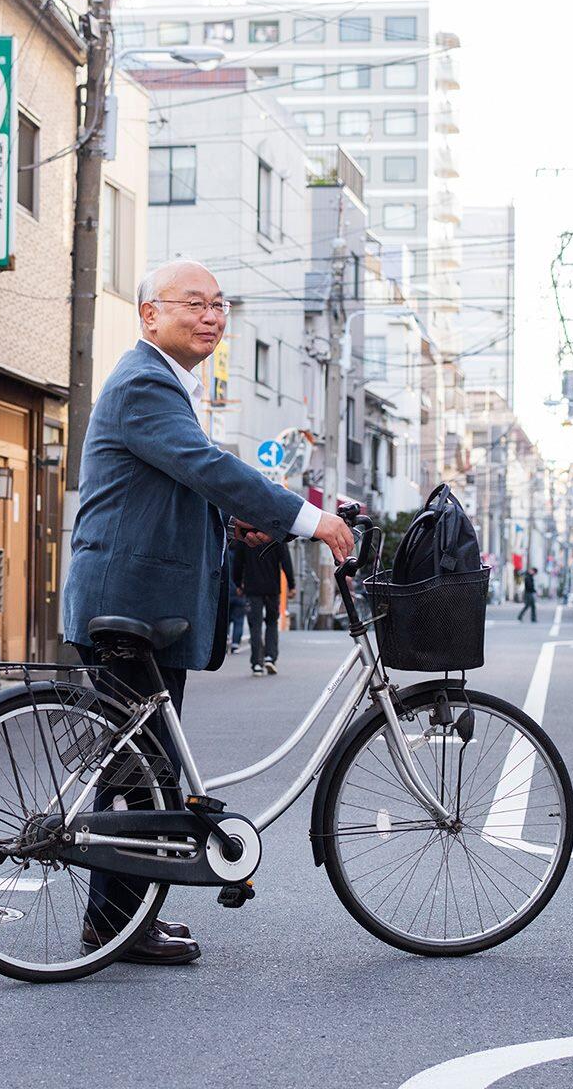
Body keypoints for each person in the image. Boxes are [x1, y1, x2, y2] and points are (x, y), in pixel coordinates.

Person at [63, 259, 355, 966]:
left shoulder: (164, 384)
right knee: (140, 770)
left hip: (140, 598)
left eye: (219, 305)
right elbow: (207, 468)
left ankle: (120, 920)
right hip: (128, 602)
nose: (212, 316)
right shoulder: (144, 383)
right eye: (193, 303)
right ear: (149, 315)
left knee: (143, 768)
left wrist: (236, 526)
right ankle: (115, 925)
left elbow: (170, 490)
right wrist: (309, 519)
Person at [232, 536, 294, 676]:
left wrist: (237, 583)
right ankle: (270, 657)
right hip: (272, 588)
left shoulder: (246, 535)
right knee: (272, 622)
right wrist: (291, 585)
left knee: (255, 625)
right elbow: (286, 561)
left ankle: (257, 664)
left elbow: (238, 561)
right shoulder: (276, 534)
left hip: (252, 588)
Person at [227, 579, 247, 655]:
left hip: (227, 595)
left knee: (225, 621)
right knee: (238, 622)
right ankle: (235, 644)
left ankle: (225, 640)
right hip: (239, 597)